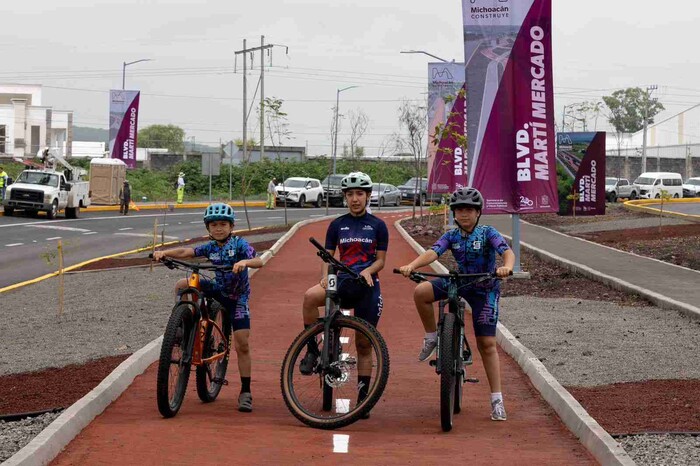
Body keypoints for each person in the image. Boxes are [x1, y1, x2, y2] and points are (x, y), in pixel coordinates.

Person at [398, 187, 515, 421]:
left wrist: (507, 268)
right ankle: (432, 336)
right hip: (460, 283)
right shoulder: (451, 235)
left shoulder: (488, 232)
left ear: (478, 212)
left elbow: (507, 252)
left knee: (487, 344)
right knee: (421, 291)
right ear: (453, 212)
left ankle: (497, 400)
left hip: (485, 289)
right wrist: (413, 265)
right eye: (459, 210)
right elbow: (433, 252)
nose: (464, 214)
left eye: (469, 210)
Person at [152, 203, 263, 412]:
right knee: (182, 285)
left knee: (242, 343)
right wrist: (165, 253)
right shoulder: (210, 247)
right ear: (208, 228)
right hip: (218, 288)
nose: (218, 228)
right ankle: (182, 326)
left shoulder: (239, 244)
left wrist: (245, 263)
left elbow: (259, 261)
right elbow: (188, 251)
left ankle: (246, 391)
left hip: (237, 298)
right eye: (213, 225)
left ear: (231, 226)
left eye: (223, 224)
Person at [300, 171, 388, 419]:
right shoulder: (337, 224)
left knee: (363, 343)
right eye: (350, 194)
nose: (355, 199)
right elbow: (327, 257)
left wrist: (369, 271)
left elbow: (381, 261)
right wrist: (324, 277)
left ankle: (363, 398)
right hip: (341, 281)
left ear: (368, 196)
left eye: (360, 194)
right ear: (345, 198)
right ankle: (312, 351)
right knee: (309, 297)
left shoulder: (378, 226)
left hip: (367, 286)